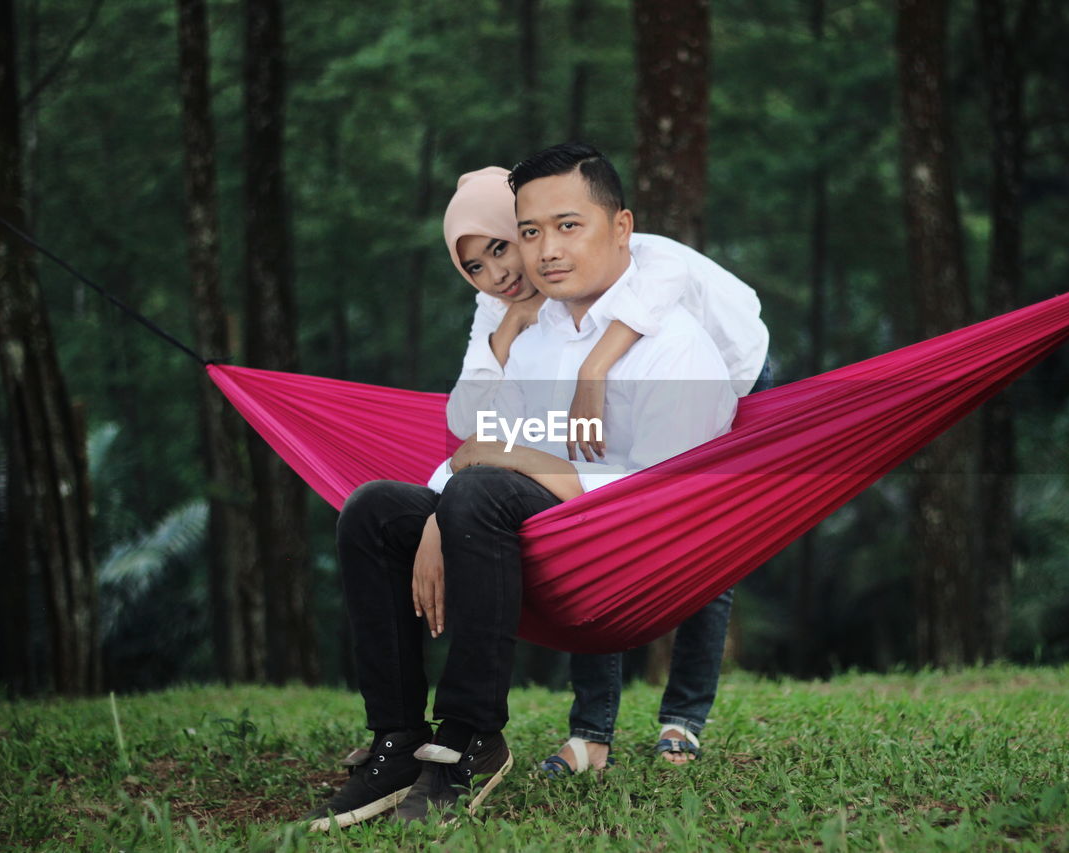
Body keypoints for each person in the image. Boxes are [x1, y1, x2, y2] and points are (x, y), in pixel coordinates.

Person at [305, 142, 738, 830]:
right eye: (530, 232)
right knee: (376, 508)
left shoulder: (676, 346)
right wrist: (436, 517)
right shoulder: (534, 336)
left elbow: (660, 505)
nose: (544, 251)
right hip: (525, 542)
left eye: (569, 226)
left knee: (477, 492)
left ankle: (473, 734)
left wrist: (514, 467)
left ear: (621, 228)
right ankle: (397, 739)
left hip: (621, 560)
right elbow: (480, 450)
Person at [440, 160, 771, 775]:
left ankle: (684, 718)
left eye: (504, 247)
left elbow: (646, 475)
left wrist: (594, 367)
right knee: (585, 535)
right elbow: (470, 422)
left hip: (733, 372)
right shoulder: (504, 304)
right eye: (475, 267)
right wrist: (503, 336)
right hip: (618, 430)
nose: (504, 272)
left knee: (708, 548)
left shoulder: (645, 261)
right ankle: (593, 731)